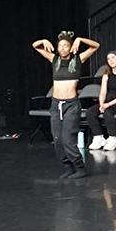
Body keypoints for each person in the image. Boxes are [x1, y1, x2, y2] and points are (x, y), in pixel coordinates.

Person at [32, 30, 100, 178]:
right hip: (56, 105)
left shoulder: (78, 60)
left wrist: (80, 39)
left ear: (71, 47)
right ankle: (68, 166)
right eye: (60, 46)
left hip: (71, 105)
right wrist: (43, 40)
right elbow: (35, 46)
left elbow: (96, 46)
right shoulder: (54, 60)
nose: (63, 48)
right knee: (57, 139)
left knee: (68, 139)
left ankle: (80, 167)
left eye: (66, 46)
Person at [87, 51, 116, 151]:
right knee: (90, 112)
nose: (110, 60)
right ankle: (98, 137)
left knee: (108, 111)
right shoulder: (106, 75)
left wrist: (108, 105)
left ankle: (112, 138)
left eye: (113, 58)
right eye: (108, 59)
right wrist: (101, 104)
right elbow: (103, 92)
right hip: (107, 102)